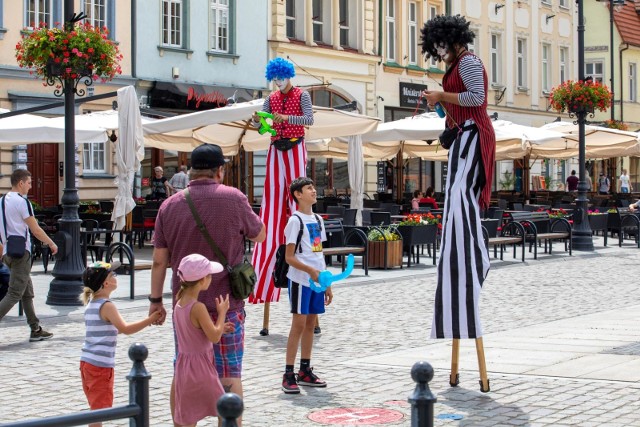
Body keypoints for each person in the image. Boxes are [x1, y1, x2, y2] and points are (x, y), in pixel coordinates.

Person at [150, 143, 265, 426]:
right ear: (220, 171)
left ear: (190, 172)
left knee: (184, 370)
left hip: (186, 307)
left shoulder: (169, 205)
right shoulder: (234, 198)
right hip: (226, 304)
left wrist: (155, 301)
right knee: (228, 376)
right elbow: (260, 235)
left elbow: (158, 261)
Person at [421, 15, 495, 340]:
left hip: (473, 134)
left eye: (441, 48)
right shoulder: (455, 66)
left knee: (459, 194)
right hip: (462, 132)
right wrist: (440, 106)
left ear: (453, 41)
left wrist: (441, 96)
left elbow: (476, 98)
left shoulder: (467, 62)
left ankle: (469, 244)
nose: (440, 54)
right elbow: (458, 105)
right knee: (455, 193)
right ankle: (460, 238)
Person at [249, 57, 314, 305]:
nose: (278, 82)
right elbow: (265, 129)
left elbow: (309, 120)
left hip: (296, 146)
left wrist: (286, 119)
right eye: (275, 79)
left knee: (297, 192)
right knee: (274, 196)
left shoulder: (301, 95)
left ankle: (301, 231)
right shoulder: (271, 98)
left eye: (281, 77)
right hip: (276, 147)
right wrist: (259, 121)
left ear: (289, 75)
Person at [80, 261, 161, 427]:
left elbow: (116, 329)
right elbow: (125, 328)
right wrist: (150, 320)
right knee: (98, 412)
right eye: (112, 275)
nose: (116, 277)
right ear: (105, 283)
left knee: (95, 408)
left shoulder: (91, 303)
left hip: (87, 363)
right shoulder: (107, 306)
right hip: (100, 365)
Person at [282, 177, 332, 394]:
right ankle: (288, 373)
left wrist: (326, 281)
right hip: (301, 280)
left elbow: (318, 253)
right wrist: (311, 272)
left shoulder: (318, 219)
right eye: (308, 188)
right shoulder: (295, 221)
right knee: (298, 324)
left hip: (316, 281)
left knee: (311, 324)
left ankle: (305, 370)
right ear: (297, 195)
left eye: (313, 186)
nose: (314, 190)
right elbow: (289, 257)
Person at [172, 254, 235, 427]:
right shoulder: (198, 307)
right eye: (209, 275)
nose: (211, 278)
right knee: (225, 408)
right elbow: (214, 337)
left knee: (187, 417)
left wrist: (220, 327)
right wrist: (222, 312)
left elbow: (196, 332)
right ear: (201, 280)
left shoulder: (179, 304)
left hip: (184, 367)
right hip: (201, 368)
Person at [0, 169, 58, 341]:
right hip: (21, 253)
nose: (31, 186)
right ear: (21, 183)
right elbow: (36, 229)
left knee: (27, 292)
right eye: (29, 183)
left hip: (8, 253)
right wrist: (51, 243)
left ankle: (35, 328)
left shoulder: (1, 201)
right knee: (14, 293)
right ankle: (35, 329)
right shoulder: (22, 202)